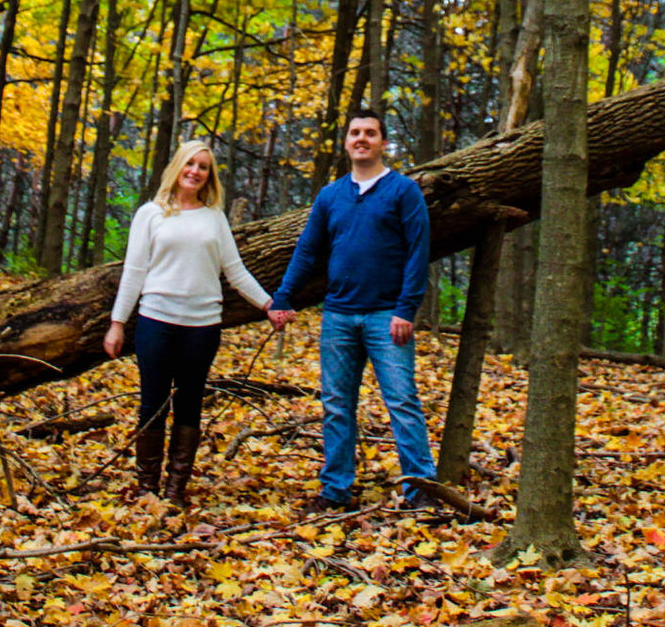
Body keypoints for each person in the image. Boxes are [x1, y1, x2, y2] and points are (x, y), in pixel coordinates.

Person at [267, 107, 435, 510]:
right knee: (337, 405)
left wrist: (406, 310)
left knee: (402, 402)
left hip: (387, 317)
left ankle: (422, 492)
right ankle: (336, 489)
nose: (362, 139)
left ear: (382, 142)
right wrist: (283, 297)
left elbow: (417, 252)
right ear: (346, 142)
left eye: (370, 133)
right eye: (355, 133)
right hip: (338, 316)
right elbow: (308, 250)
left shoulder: (402, 191)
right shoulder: (331, 195)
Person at [105, 140, 271, 508]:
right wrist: (117, 323)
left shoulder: (214, 217)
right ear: (177, 167)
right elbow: (134, 272)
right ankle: (147, 487)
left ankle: (175, 489)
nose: (195, 171)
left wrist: (268, 304)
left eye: (203, 167)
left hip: (202, 327)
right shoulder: (151, 214)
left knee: (190, 403)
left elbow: (235, 271)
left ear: (209, 176)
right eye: (190, 164)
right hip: (156, 322)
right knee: (153, 403)